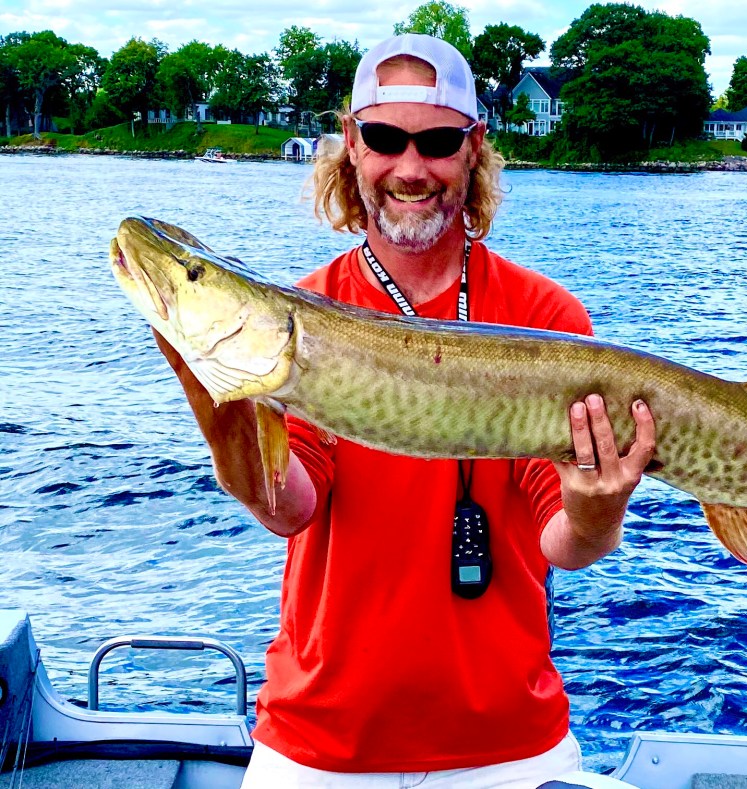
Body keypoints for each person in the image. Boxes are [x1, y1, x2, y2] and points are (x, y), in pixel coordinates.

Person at [156, 33, 656, 788]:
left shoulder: (545, 317)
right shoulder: (306, 317)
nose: (411, 168)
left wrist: (597, 511)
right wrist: (218, 411)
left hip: (508, 748)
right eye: (387, 138)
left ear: (473, 148)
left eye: (439, 142)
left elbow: (563, 542)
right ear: (353, 144)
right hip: (318, 743)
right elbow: (291, 507)